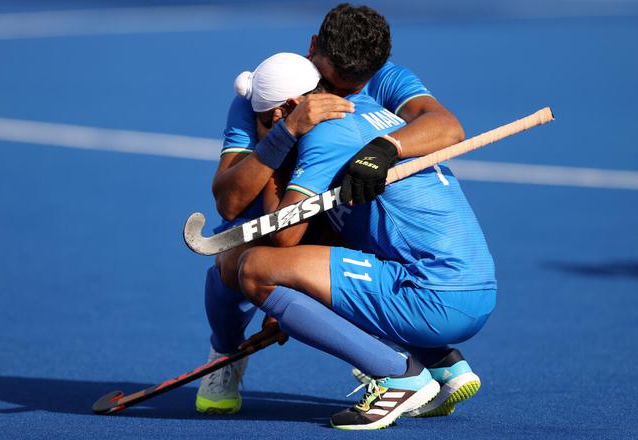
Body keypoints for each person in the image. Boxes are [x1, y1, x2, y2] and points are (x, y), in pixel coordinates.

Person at [196, 3, 465, 416]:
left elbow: (448, 128)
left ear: (373, 73)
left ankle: (420, 356)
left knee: (263, 269)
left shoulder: (385, 80)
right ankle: (225, 356)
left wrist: (386, 146)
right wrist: (283, 133)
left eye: (351, 89)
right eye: (328, 82)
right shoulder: (271, 94)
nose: (335, 99)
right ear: (312, 48)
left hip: (345, 216)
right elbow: (229, 201)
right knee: (232, 262)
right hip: (290, 203)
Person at [233, 53, 497, 430]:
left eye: (263, 121)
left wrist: (282, 142)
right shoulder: (370, 110)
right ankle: (441, 364)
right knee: (327, 258)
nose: (263, 132)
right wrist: (296, 306)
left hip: (433, 298)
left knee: (256, 270)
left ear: (290, 108)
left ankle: (398, 375)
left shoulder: (325, 133)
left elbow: (284, 234)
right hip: (471, 290)